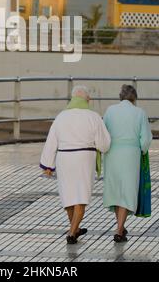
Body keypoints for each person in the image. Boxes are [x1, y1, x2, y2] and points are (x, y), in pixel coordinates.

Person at [40, 85, 111, 244]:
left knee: (69, 195)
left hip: (64, 158)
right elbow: (104, 144)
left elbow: (51, 142)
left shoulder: (61, 117)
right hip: (84, 158)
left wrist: (48, 166)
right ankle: (72, 233)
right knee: (80, 196)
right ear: (88, 99)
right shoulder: (93, 117)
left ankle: (75, 228)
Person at [103, 84, 153, 243]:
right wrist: (143, 151)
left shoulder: (110, 110)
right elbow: (145, 139)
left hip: (112, 154)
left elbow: (104, 133)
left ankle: (120, 226)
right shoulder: (139, 113)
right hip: (131, 155)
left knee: (116, 190)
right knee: (127, 190)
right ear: (134, 97)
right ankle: (119, 230)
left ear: (120, 96)